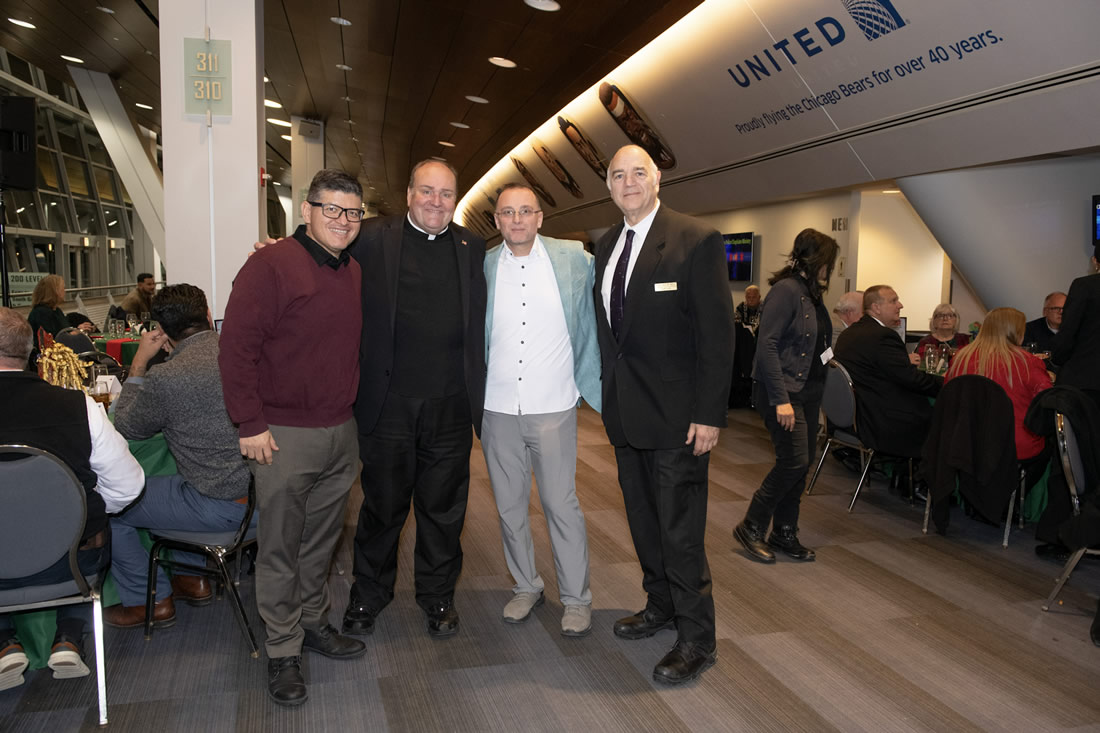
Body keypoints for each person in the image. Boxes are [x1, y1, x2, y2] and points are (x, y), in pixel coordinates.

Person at [220, 169, 366, 706]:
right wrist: (250, 422)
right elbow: (236, 348)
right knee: (280, 546)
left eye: (353, 212)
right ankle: (283, 649)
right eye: (332, 209)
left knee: (321, 542)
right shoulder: (270, 265)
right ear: (306, 210)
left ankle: (312, 623)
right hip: (281, 435)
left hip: (340, 430)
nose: (343, 220)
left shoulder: (352, 269)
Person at [593, 145, 734, 684]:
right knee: (644, 521)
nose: (628, 182)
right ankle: (661, 605)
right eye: (618, 175)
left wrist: (709, 413)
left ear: (657, 180)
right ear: (608, 186)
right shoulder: (607, 244)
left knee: (680, 532)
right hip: (626, 414)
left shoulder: (695, 239)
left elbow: (717, 336)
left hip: (679, 418)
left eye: (638, 173)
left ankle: (698, 638)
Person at [341, 160, 487, 641]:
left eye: (446, 194)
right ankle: (368, 594)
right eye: (427, 191)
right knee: (382, 508)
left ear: (455, 200)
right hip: (388, 405)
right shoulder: (371, 238)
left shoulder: (472, 247)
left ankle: (438, 597)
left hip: (451, 406)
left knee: (444, 512)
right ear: (408, 194)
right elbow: (323, 247)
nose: (436, 201)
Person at [0, 307, 143, 691]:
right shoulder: (80, 406)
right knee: (84, 532)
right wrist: (81, 513)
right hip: (69, 565)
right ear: (30, 352)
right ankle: (69, 635)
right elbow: (129, 487)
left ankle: (4, 643)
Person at [482, 183, 601, 636]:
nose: (517, 219)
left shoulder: (574, 259)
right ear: (496, 220)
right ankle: (525, 586)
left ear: (539, 217)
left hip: (553, 405)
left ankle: (576, 599)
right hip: (497, 407)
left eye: (525, 211)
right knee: (509, 507)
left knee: (560, 504)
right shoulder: (484, 266)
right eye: (508, 212)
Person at [105, 284, 255, 629]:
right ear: (207, 315)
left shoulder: (166, 377)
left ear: (160, 329)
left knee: (110, 506)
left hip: (221, 508)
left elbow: (127, 426)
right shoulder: (246, 354)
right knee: (177, 480)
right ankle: (193, 579)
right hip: (270, 499)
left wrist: (139, 362)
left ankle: (150, 601)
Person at [733, 229, 839, 564]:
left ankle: (784, 532)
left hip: (807, 391)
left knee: (800, 465)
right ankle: (751, 525)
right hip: (782, 392)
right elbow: (766, 346)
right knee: (793, 461)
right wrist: (781, 399)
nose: (831, 269)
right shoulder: (786, 291)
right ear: (816, 259)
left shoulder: (812, 294)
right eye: (829, 261)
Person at [834, 285, 943, 459]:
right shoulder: (882, 336)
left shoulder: (849, 333)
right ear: (876, 308)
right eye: (893, 301)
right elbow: (911, 379)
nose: (900, 305)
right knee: (945, 416)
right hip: (883, 422)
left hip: (856, 417)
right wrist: (947, 383)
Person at [945, 307, 1052, 461]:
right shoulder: (1028, 362)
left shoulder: (961, 358)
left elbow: (948, 398)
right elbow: (1045, 401)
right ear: (1016, 333)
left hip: (965, 443)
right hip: (1013, 445)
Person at [1053, 246, 1100, 410]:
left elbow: (1068, 331)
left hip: (1085, 379)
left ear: (1095, 261)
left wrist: (1057, 358)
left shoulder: (1085, 286)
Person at [915, 303, 970, 368]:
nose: (945, 319)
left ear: (956, 320)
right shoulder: (926, 342)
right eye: (941, 315)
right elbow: (920, 365)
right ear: (934, 321)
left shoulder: (965, 340)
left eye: (950, 315)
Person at [26, 275, 69, 340]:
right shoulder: (41, 313)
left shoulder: (57, 310)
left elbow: (64, 329)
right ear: (55, 291)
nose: (65, 291)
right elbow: (50, 339)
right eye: (63, 288)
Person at [1023, 291, 1066, 355]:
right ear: (1045, 311)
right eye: (1056, 308)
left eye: (1065, 308)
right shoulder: (1028, 330)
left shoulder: (1076, 330)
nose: (1061, 312)